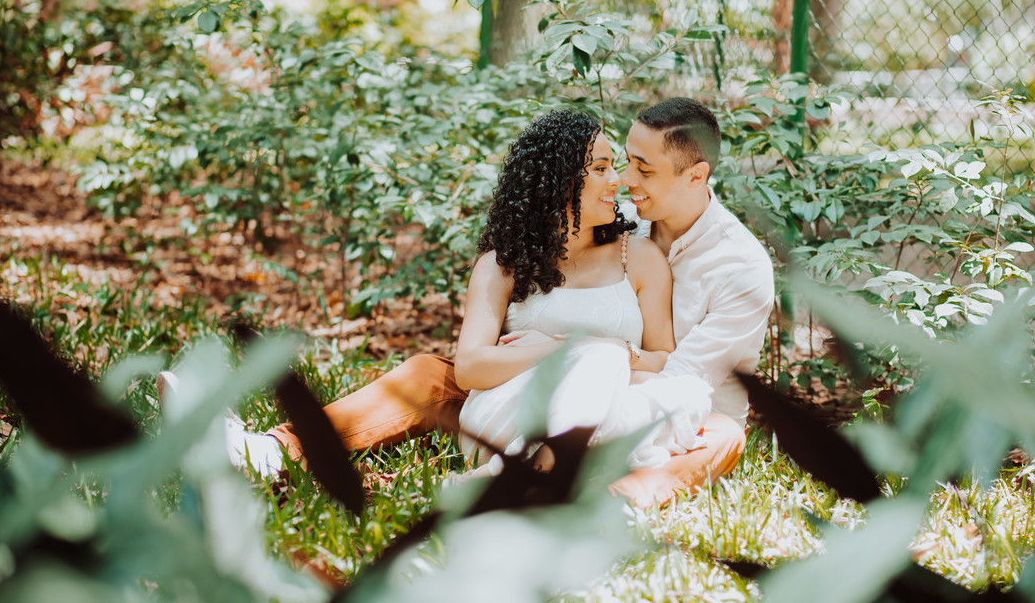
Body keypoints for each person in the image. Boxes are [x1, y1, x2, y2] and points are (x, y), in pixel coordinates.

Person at [224, 98, 775, 507]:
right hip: (522, 392)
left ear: (696, 176)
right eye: (618, 165)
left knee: (721, 436)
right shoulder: (623, 219)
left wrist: (581, 355)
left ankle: (602, 500)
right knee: (426, 373)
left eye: (641, 170)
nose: (626, 181)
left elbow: (679, 374)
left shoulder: (738, 268)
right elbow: (485, 351)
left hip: (660, 407)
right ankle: (272, 451)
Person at [452, 108, 711, 475]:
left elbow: (663, 358)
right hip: (511, 414)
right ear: (557, 180)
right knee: (601, 357)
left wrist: (605, 355)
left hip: (604, 407)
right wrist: (568, 350)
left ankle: (550, 466)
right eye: (600, 168)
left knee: (688, 392)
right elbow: (470, 368)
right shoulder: (501, 266)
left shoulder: (637, 258)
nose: (617, 181)